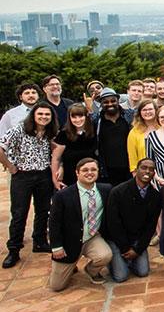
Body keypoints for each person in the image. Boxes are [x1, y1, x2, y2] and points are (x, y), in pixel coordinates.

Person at [1, 102, 57, 267]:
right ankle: (14, 249)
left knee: (43, 210)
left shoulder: (49, 132)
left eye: (47, 115)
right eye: (40, 114)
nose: (43, 117)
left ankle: (39, 242)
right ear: (33, 115)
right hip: (22, 176)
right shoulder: (20, 129)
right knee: (19, 213)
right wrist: (10, 166)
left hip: (43, 175)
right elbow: (1, 146)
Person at [47, 158, 112, 290]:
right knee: (57, 286)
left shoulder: (106, 190)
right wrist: (56, 247)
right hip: (68, 242)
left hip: (91, 237)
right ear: (77, 173)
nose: (90, 173)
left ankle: (91, 271)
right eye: (85, 170)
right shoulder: (63, 196)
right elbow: (54, 222)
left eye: (93, 170)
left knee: (105, 255)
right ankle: (71, 265)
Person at [103, 158, 162, 282]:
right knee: (121, 277)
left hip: (136, 239)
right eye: (144, 168)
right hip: (116, 239)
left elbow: (150, 226)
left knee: (143, 272)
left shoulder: (155, 196)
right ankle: (114, 260)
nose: (147, 171)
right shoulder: (118, 192)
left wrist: (138, 249)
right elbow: (113, 223)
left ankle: (128, 260)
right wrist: (124, 248)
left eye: (151, 169)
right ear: (136, 170)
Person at [51, 105, 97, 189]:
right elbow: (56, 158)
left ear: (86, 115)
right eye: (74, 117)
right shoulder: (63, 135)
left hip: (92, 176)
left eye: (80, 116)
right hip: (70, 176)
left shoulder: (94, 130)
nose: (77, 120)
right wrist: (55, 180)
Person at [93, 88, 130, 185]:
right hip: (106, 170)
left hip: (129, 167)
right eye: (105, 102)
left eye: (113, 101)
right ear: (101, 103)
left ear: (118, 101)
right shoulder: (96, 120)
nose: (110, 104)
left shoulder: (129, 116)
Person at [127, 100, 158, 175]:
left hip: (163, 170)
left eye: (150, 109)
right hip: (144, 172)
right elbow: (132, 158)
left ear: (156, 110)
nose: (147, 112)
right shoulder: (134, 132)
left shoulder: (162, 128)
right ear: (140, 113)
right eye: (144, 110)